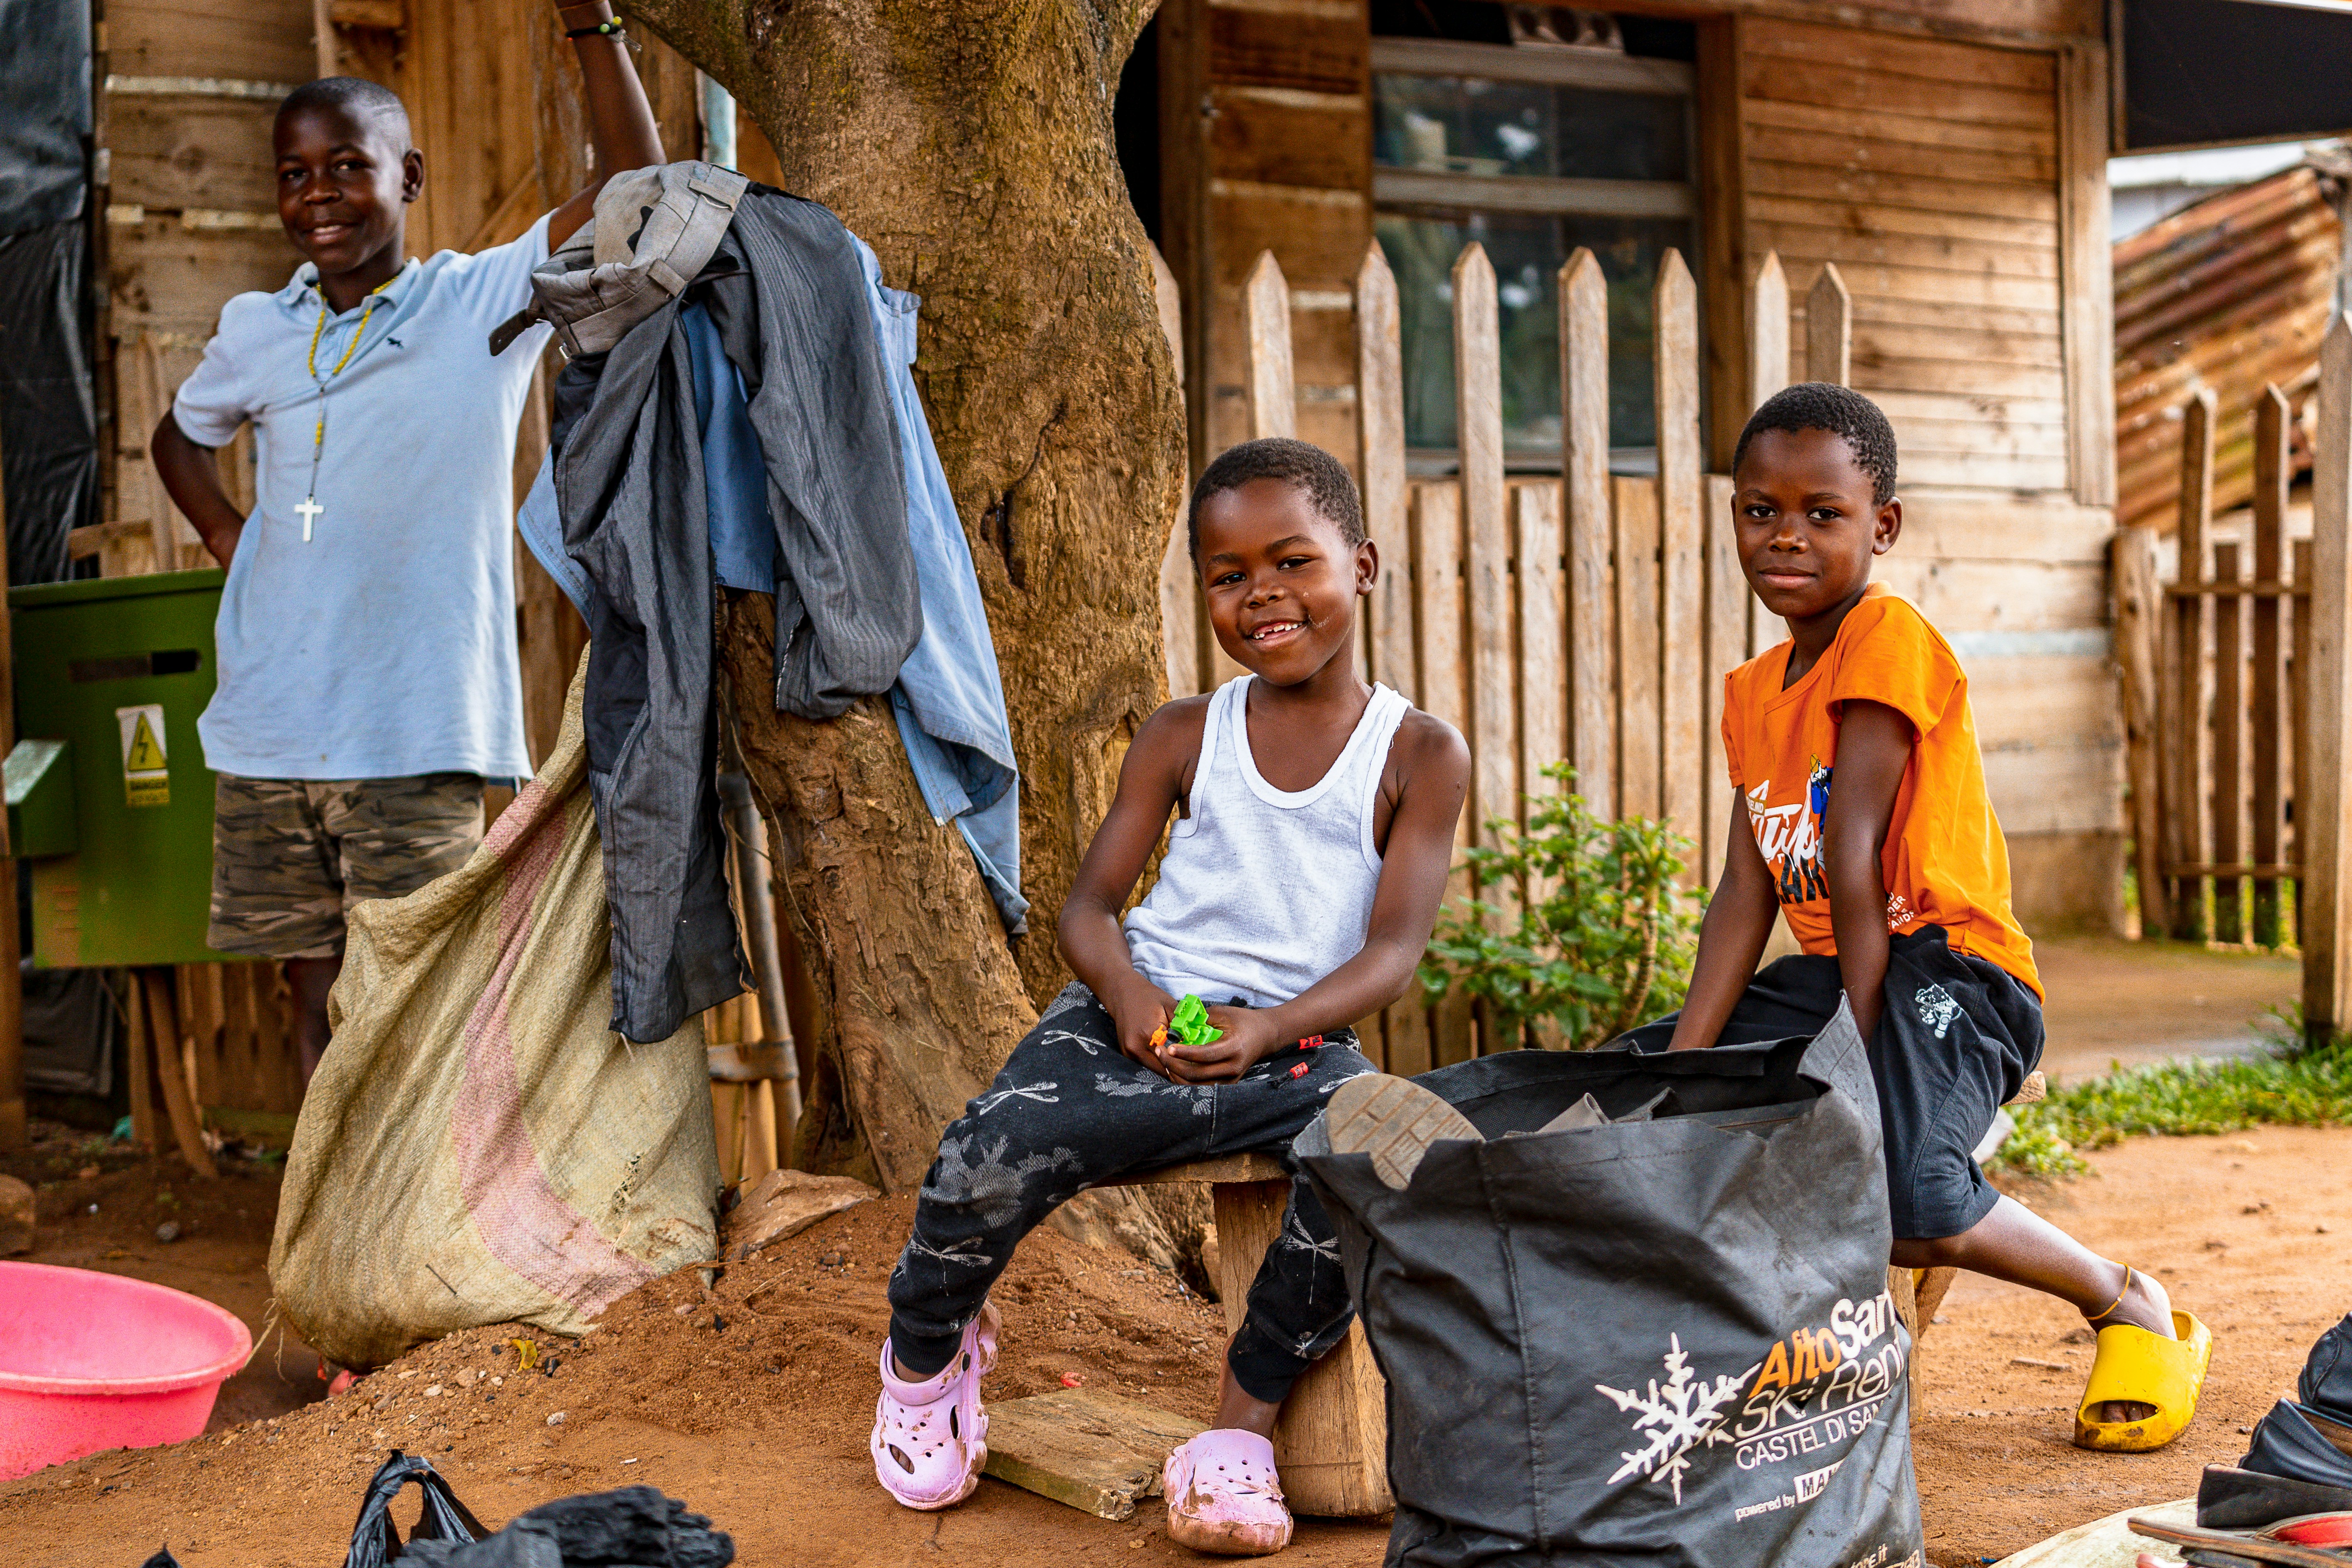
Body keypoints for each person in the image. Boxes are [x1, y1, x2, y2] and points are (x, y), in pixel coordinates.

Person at [869, 438, 1470, 1554]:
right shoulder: (1185, 733)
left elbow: (1393, 952)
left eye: (1294, 561)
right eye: (1228, 575)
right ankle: (924, 1357)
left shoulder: (1418, 753)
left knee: (1387, 1143)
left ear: (1364, 564)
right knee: (984, 1155)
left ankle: (1237, 1433)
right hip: (1138, 1017)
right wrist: (1139, 1001)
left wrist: (1275, 1027)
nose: (1263, 596)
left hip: (1293, 1045)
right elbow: (1089, 909)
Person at [1639, 382, 2209, 1453]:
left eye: (1822, 513)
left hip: (1954, 969)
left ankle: (2123, 1300)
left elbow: (1851, 860)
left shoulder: (1885, 635)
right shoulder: (1753, 689)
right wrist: (1679, 1066)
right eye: (1759, 511)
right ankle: (1813, 1350)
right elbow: (1744, 892)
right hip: (1841, 971)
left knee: (1908, 1195)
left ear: (1881, 527)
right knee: (1646, 1089)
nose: (1786, 536)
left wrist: (1854, 1051)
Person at [149, 1, 663, 1081]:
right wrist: (230, 537)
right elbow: (179, 438)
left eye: (347, 168)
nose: (319, 195)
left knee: (412, 993)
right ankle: (323, 1232)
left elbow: (640, 191)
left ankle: (404, 1232)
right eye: (295, 175)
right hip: (269, 726)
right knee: (306, 979)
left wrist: (593, 27)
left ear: (409, 178)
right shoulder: (257, 330)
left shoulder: (478, 300)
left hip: (415, 726)